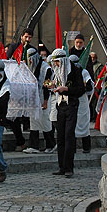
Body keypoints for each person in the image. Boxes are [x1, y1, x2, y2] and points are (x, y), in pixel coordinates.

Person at [48, 48, 85, 178]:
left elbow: (80, 89)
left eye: (57, 62)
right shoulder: (57, 71)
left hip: (71, 105)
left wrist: (66, 89)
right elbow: (56, 83)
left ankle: (69, 167)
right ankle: (61, 166)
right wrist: (52, 86)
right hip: (60, 105)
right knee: (60, 137)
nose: (56, 65)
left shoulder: (75, 71)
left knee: (69, 136)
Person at [23, 48, 56, 154]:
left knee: (45, 121)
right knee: (34, 122)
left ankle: (51, 144)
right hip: (34, 99)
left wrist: (45, 101)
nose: (30, 61)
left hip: (43, 98)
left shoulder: (46, 69)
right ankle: (34, 145)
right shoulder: (30, 67)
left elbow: (46, 86)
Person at [69, 54, 93, 153]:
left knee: (83, 124)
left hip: (82, 101)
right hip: (72, 101)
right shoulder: (68, 72)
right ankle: (72, 148)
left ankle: (86, 147)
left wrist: (81, 88)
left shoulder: (84, 72)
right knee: (72, 125)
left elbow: (89, 86)